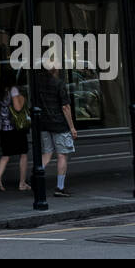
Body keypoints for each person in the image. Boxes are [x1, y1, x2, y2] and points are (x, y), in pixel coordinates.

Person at [34, 62, 77, 196]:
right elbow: (65, 107)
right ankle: (60, 187)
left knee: (46, 153)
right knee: (62, 155)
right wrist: (72, 127)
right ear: (54, 69)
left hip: (44, 124)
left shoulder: (38, 84)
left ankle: (36, 177)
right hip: (59, 124)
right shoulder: (59, 84)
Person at [0, 67, 29, 191]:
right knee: (23, 154)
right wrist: (23, 98)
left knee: (6, 154)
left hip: (2, 127)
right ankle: (22, 183)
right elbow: (18, 108)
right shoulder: (13, 90)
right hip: (15, 127)